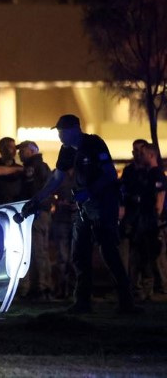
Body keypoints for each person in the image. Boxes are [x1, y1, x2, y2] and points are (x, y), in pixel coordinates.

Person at [19, 114, 138, 313]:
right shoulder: (66, 150)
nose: (59, 136)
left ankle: (127, 302)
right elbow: (56, 179)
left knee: (108, 251)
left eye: (61, 131)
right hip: (84, 207)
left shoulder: (94, 144)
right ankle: (82, 302)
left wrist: (89, 192)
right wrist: (37, 199)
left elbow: (109, 174)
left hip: (103, 204)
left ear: (75, 129)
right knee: (79, 254)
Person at [16, 140, 54, 300]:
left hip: (36, 214)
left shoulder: (35, 167)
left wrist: (34, 207)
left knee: (38, 252)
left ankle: (41, 288)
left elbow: (37, 191)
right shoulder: (40, 167)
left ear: (31, 151)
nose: (19, 154)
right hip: (36, 213)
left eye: (22, 150)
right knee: (36, 252)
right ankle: (39, 288)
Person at [129, 143, 165, 301]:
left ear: (151, 155)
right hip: (144, 218)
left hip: (151, 220)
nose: (140, 156)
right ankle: (145, 289)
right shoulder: (146, 174)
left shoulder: (157, 174)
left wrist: (156, 219)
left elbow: (160, 198)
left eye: (143, 154)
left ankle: (153, 289)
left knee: (151, 254)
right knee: (143, 254)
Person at [119, 139, 149, 273]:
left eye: (139, 150)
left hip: (144, 215)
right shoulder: (129, 170)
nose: (136, 154)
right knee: (124, 250)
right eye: (134, 150)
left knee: (141, 252)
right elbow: (122, 191)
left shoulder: (150, 171)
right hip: (129, 215)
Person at [0, 137, 23, 204]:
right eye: (11, 147)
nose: (15, 150)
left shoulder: (20, 169)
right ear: (1, 149)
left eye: (15, 147)